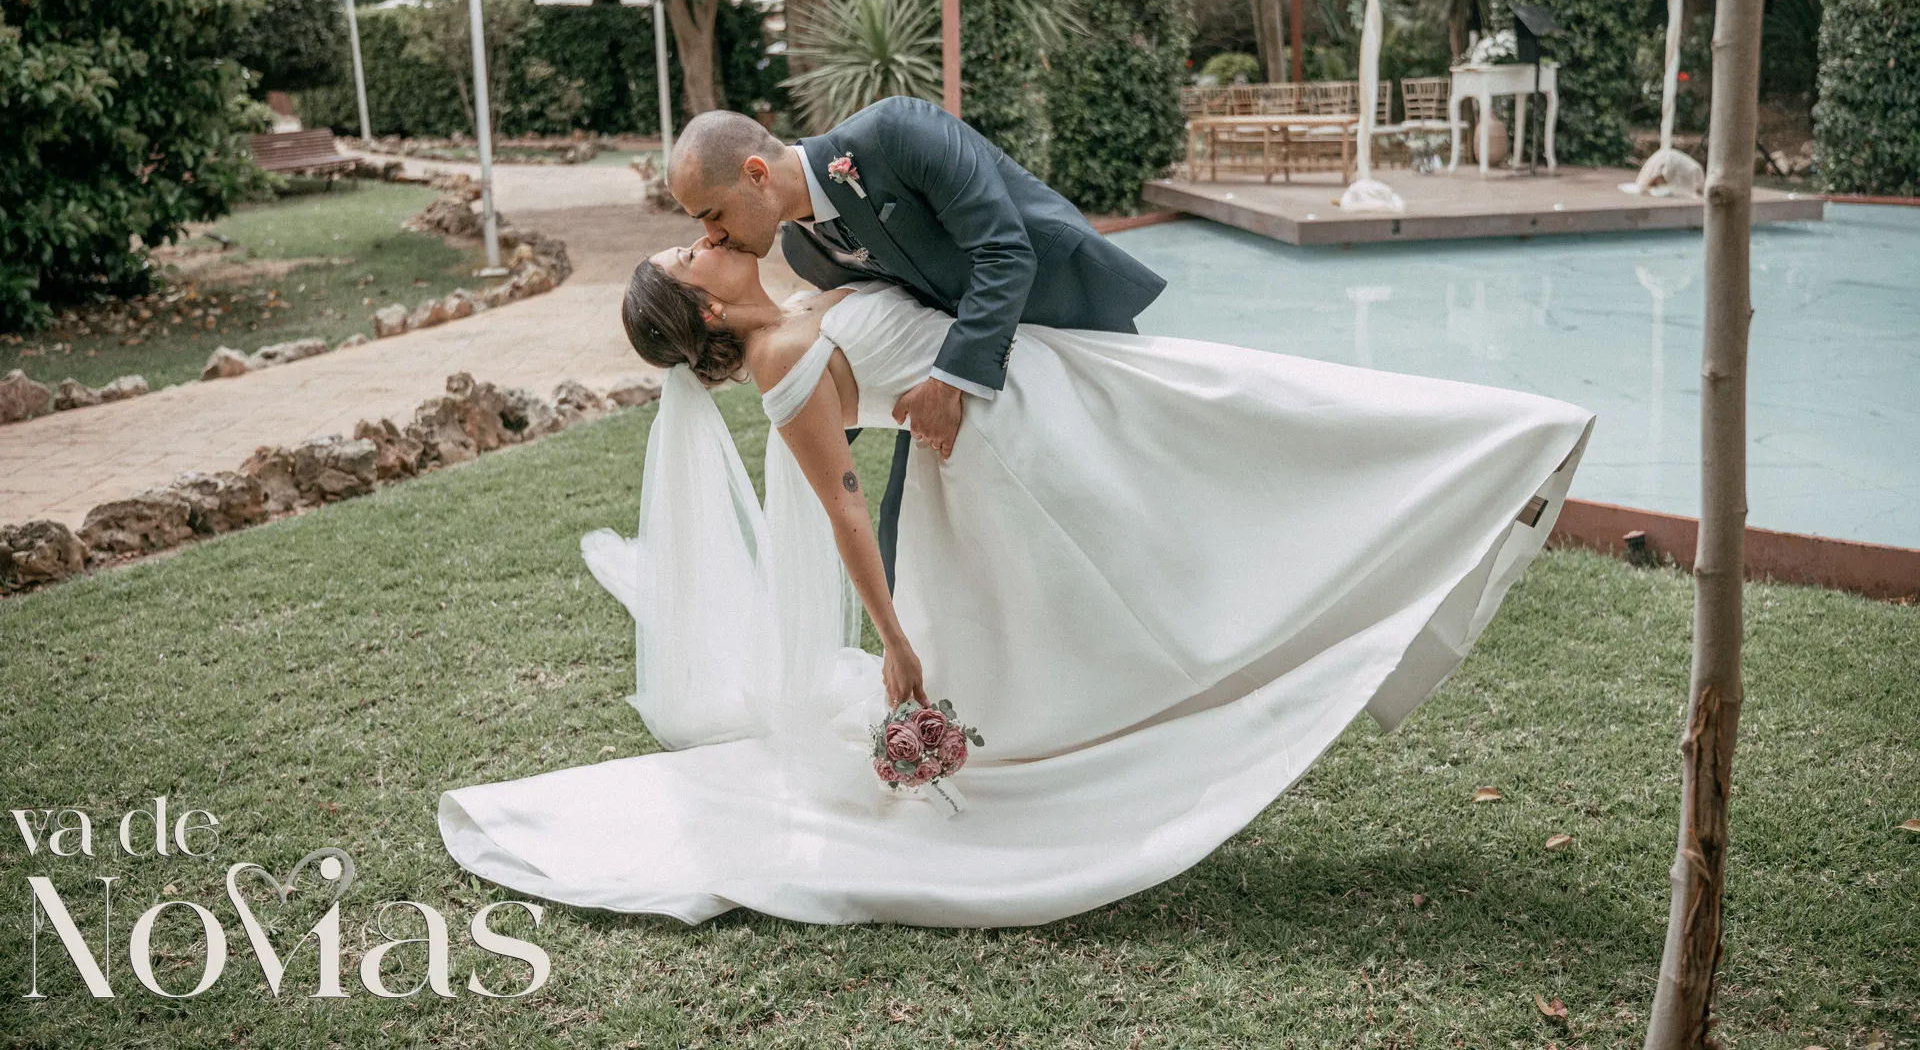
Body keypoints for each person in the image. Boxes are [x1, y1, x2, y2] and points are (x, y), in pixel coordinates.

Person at [438, 223, 1596, 929]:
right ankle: (1483, 461)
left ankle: (1489, 455)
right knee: (1244, 470)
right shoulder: (784, 361)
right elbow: (844, 503)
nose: (702, 236)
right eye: (688, 250)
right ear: (701, 302)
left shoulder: (791, 304)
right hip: (1024, 457)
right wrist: (896, 640)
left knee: (1261, 423)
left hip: (1053, 394)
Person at [656, 100, 1167, 587]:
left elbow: (1005, 252)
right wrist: (813, 438)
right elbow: (878, 331)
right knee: (903, 539)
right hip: (960, 375)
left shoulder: (896, 132)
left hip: (1065, 318)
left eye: (713, 213)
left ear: (756, 174)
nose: (711, 235)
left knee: (1135, 499)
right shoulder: (801, 249)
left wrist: (947, 385)